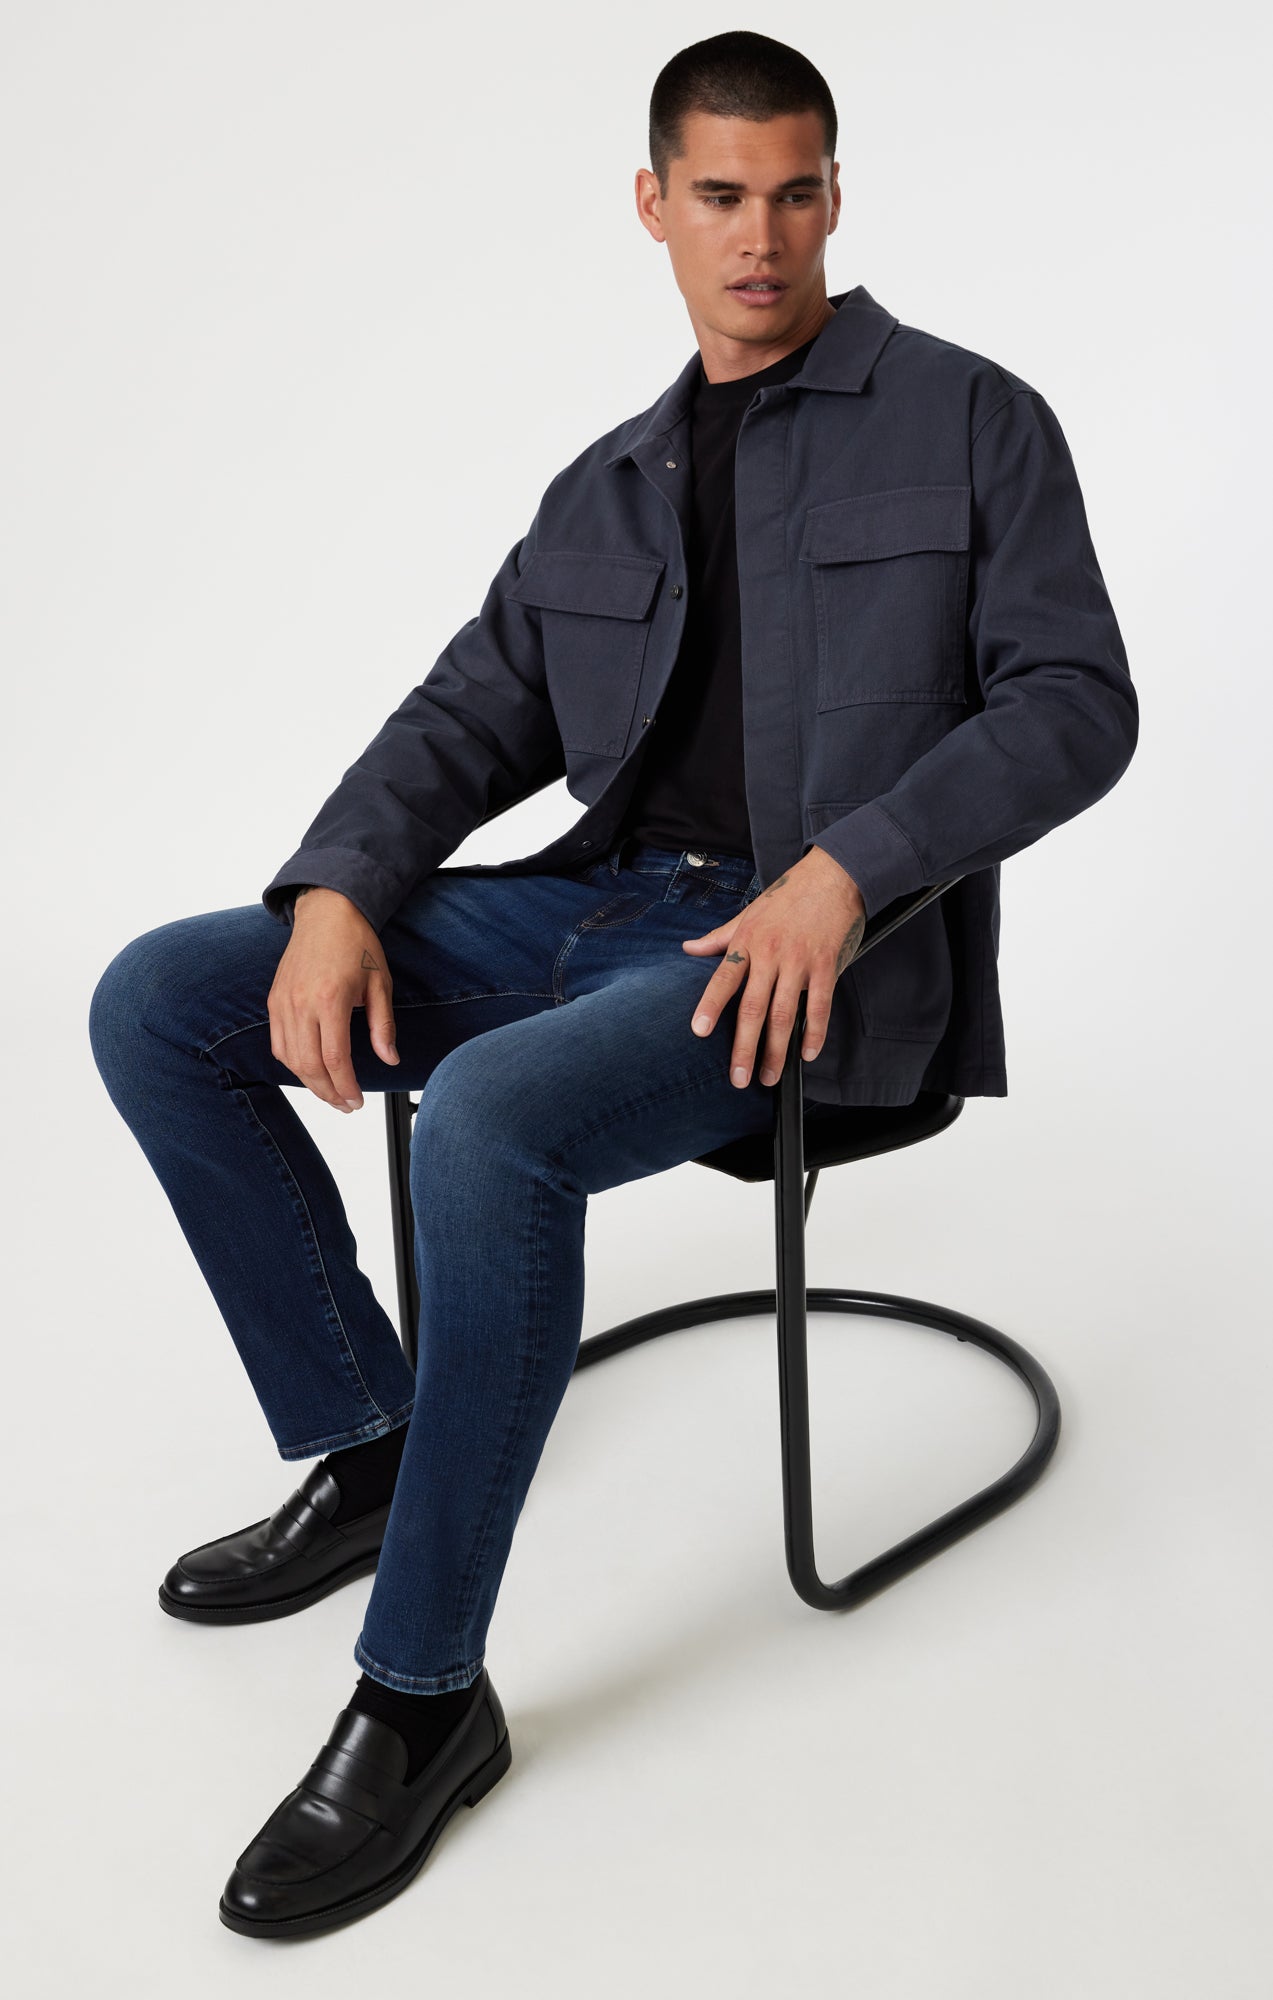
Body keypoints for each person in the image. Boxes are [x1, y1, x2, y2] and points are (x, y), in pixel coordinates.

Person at [87, 29, 1138, 1940]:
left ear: (837, 197)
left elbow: (1075, 703)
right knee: (161, 997)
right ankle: (371, 1441)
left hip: (799, 960)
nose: (761, 237)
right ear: (652, 206)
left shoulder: (972, 420)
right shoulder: (611, 483)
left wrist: (843, 876)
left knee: (489, 1119)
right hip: (586, 913)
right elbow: (461, 716)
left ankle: (425, 1699)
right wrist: (336, 890)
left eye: (795, 195)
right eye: (720, 197)